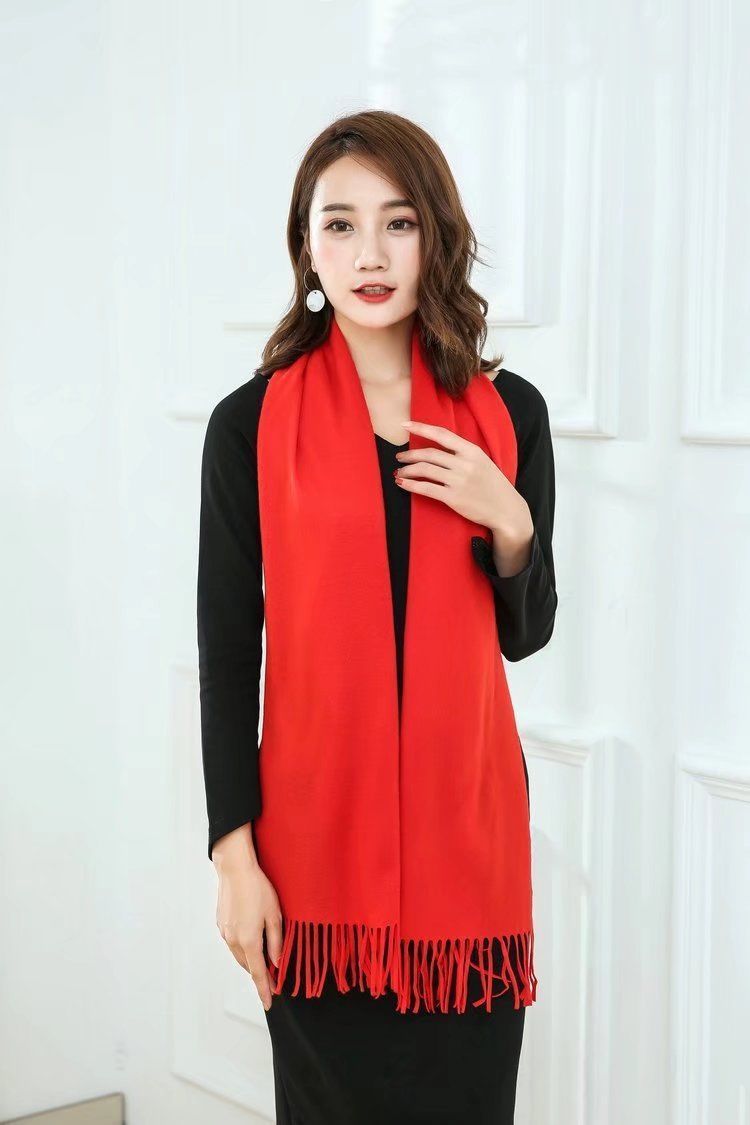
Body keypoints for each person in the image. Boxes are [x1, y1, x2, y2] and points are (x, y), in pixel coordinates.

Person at [197, 109, 557, 1125]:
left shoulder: (510, 413)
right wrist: (234, 860)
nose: (369, 254)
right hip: (311, 878)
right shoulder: (249, 425)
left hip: (468, 867)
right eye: (340, 224)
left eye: (398, 223)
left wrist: (510, 520)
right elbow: (227, 654)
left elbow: (527, 632)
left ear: (434, 235)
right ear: (306, 247)